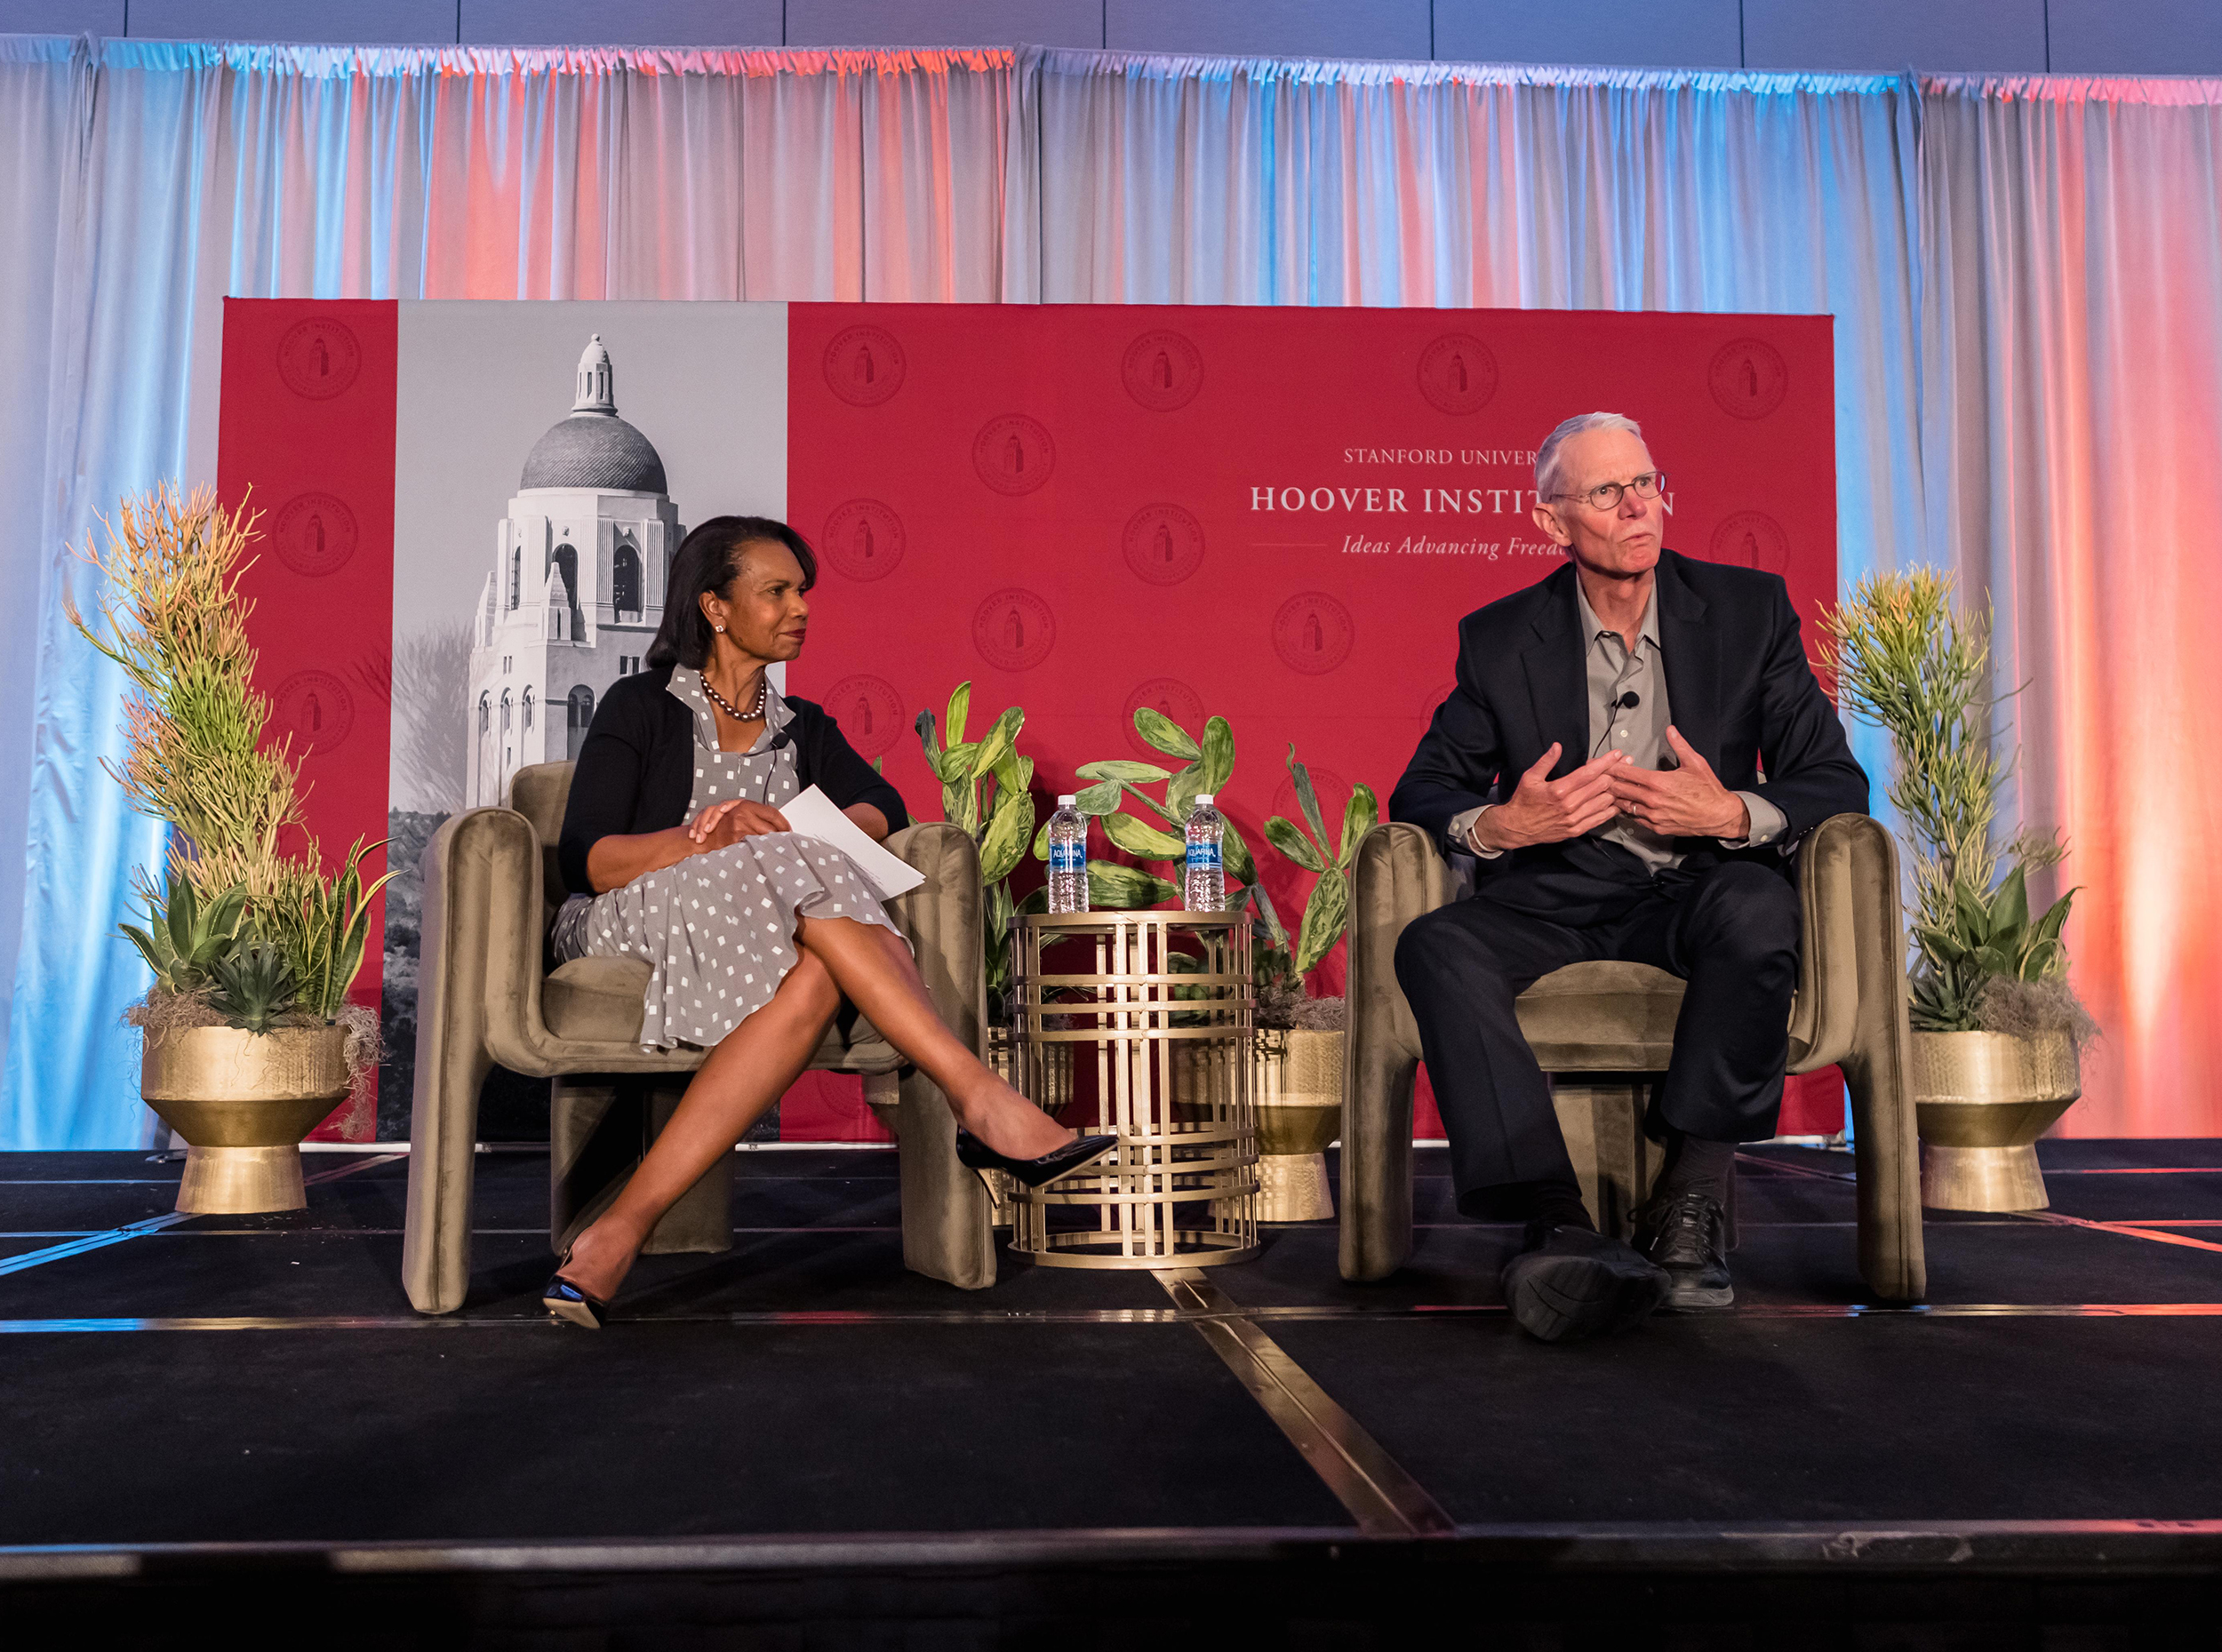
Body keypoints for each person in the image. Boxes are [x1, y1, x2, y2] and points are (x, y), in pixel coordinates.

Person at [541, 515, 1113, 1327]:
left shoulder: (801, 725)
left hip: (778, 922)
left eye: (802, 590)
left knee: (813, 969)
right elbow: (587, 860)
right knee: (788, 862)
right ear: (714, 606)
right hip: (626, 915)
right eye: (776, 590)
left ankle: (617, 1232)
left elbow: (884, 804)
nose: (799, 607)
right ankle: (977, 1095)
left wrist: (808, 836)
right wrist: (715, 833)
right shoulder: (639, 705)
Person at [1389, 414, 1868, 1343]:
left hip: (1698, 885)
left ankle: (1689, 1203)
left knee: (1760, 908)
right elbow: (1423, 787)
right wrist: (1499, 823)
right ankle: (1555, 1222)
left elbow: (1832, 777)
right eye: (1607, 492)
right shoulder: (1499, 638)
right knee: (1436, 944)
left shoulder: (1747, 611)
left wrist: (1729, 812)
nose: (1637, 505)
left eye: (1646, 482)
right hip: (1560, 892)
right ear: (1551, 522)